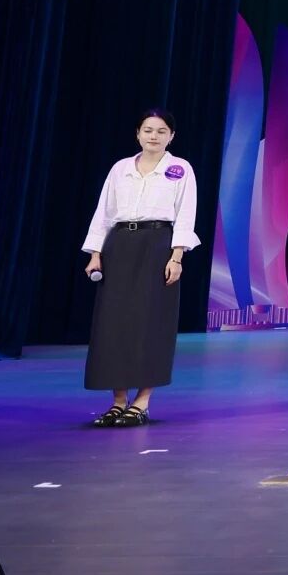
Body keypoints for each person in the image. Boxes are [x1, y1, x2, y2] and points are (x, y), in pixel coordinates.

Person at [80, 110, 200, 428]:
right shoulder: (120, 168)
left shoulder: (180, 169)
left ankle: (142, 401)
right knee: (114, 323)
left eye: (161, 131)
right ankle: (118, 401)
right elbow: (104, 212)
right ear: (137, 133)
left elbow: (185, 214)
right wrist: (95, 253)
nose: (153, 136)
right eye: (148, 130)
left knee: (151, 322)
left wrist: (176, 257)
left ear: (171, 136)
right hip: (119, 245)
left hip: (157, 245)